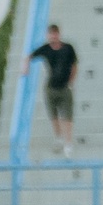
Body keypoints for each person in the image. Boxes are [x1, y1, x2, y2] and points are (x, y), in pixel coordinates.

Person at [30, 23, 78, 154]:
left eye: (55, 34)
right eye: (51, 34)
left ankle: (68, 142)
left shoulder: (68, 48)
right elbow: (30, 56)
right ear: (48, 35)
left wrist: (71, 81)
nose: (53, 37)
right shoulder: (45, 49)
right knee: (54, 115)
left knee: (67, 115)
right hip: (51, 87)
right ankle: (59, 137)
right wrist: (25, 67)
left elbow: (74, 65)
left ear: (59, 34)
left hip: (64, 87)